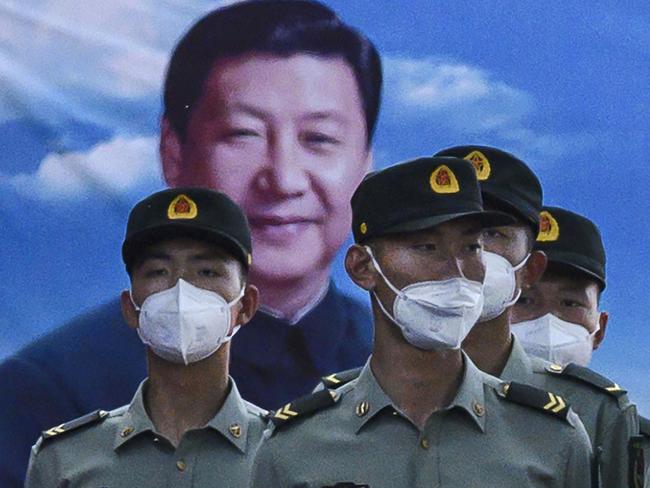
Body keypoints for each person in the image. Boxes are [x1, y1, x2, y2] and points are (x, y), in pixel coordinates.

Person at [0, 2, 381, 485]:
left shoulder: (405, 371)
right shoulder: (49, 390)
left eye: (320, 138)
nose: (284, 179)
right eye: (243, 134)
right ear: (172, 152)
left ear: (365, 160)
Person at [250, 156, 593, 487]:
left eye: (471, 248)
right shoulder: (294, 446)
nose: (457, 271)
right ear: (362, 267)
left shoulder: (553, 439)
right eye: (426, 247)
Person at [25, 188, 267, 487]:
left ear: (245, 306)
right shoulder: (65, 460)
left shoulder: (287, 452)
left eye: (207, 272)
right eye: (157, 272)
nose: (180, 291)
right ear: (131, 309)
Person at [433, 145, 639, 488]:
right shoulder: (354, 405)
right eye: (529, 302)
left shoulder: (601, 414)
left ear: (528, 266)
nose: (476, 253)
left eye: (493, 233)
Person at [510, 205, 647, 488]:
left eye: (570, 303)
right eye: (525, 300)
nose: (547, 321)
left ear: (600, 329)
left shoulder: (632, 442)